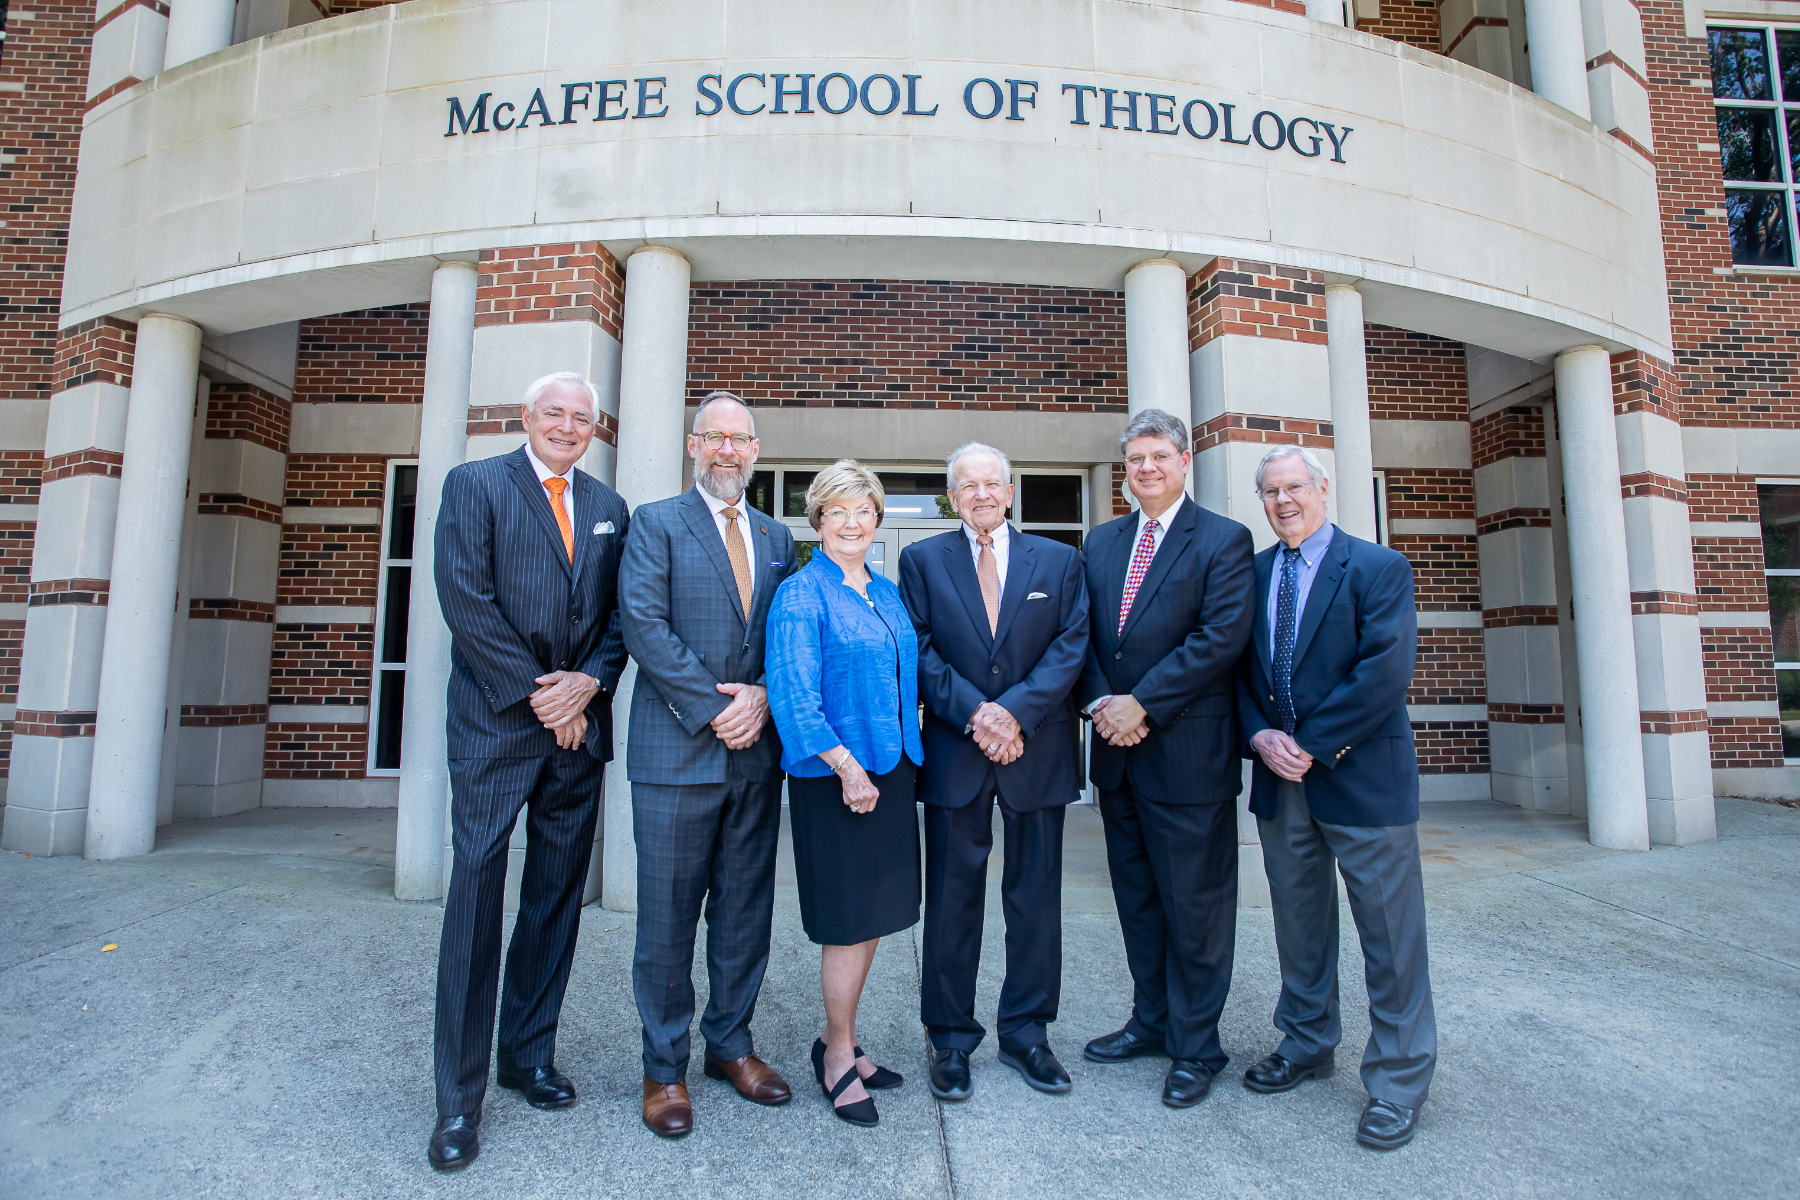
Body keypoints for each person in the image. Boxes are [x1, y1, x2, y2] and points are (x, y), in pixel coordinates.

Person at [427, 372, 630, 1171]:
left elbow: (621, 617)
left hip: (576, 736)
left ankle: (528, 1054)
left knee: (554, 899)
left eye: (582, 419)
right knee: (477, 894)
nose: (569, 427)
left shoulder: (610, 509)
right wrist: (545, 695)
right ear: (527, 417)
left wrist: (589, 682)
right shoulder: (475, 484)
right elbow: (465, 599)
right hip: (496, 728)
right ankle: (456, 1101)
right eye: (556, 413)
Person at [1236, 444, 1436, 1151]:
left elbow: (1383, 673)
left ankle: (1398, 1080)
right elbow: (1235, 673)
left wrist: (1310, 743)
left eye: (1294, 487)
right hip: (1279, 782)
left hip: (1360, 778)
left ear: (1323, 490)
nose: (1283, 501)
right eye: (1270, 491)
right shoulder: (1252, 573)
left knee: (1390, 937)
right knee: (1300, 927)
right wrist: (1261, 736)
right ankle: (1307, 1040)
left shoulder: (1378, 568)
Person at [618, 391, 799, 1139]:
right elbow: (643, 624)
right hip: (676, 750)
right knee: (665, 919)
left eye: (741, 439)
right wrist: (716, 706)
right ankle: (664, 1069)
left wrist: (761, 695)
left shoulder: (778, 535)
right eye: (715, 438)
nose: (729, 451)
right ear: (694, 446)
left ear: (755, 449)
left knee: (743, 913)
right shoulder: (655, 523)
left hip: (755, 758)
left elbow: (783, 634)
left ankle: (730, 1045)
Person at [1074, 408, 1257, 1110]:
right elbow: (1080, 637)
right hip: (1118, 756)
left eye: (1159, 456)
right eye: (1136, 459)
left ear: (1186, 462)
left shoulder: (1223, 540)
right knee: (1141, 901)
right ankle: (1151, 1022)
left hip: (1185, 755)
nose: (1146, 468)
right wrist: (1100, 704)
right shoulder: (1102, 542)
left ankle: (1196, 1045)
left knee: (1196, 907)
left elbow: (1219, 640)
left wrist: (1140, 704)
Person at [898, 442, 1090, 1101]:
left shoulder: (1060, 561)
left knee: (1034, 899)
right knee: (952, 901)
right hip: (957, 750)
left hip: (1035, 749)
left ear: (1010, 491)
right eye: (967, 485)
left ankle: (1028, 1033)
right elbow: (917, 648)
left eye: (992, 483)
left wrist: (1014, 715)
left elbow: (1072, 646)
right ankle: (950, 1039)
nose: (981, 494)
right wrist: (978, 714)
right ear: (951, 497)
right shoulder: (921, 561)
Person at [765, 461, 922, 1129]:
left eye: (863, 511)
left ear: (877, 519)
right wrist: (846, 768)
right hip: (838, 779)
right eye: (838, 511)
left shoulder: (885, 593)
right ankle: (835, 1056)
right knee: (846, 923)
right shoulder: (801, 594)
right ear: (818, 521)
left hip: (891, 771)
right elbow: (793, 694)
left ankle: (847, 1041)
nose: (852, 523)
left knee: (876, 915)